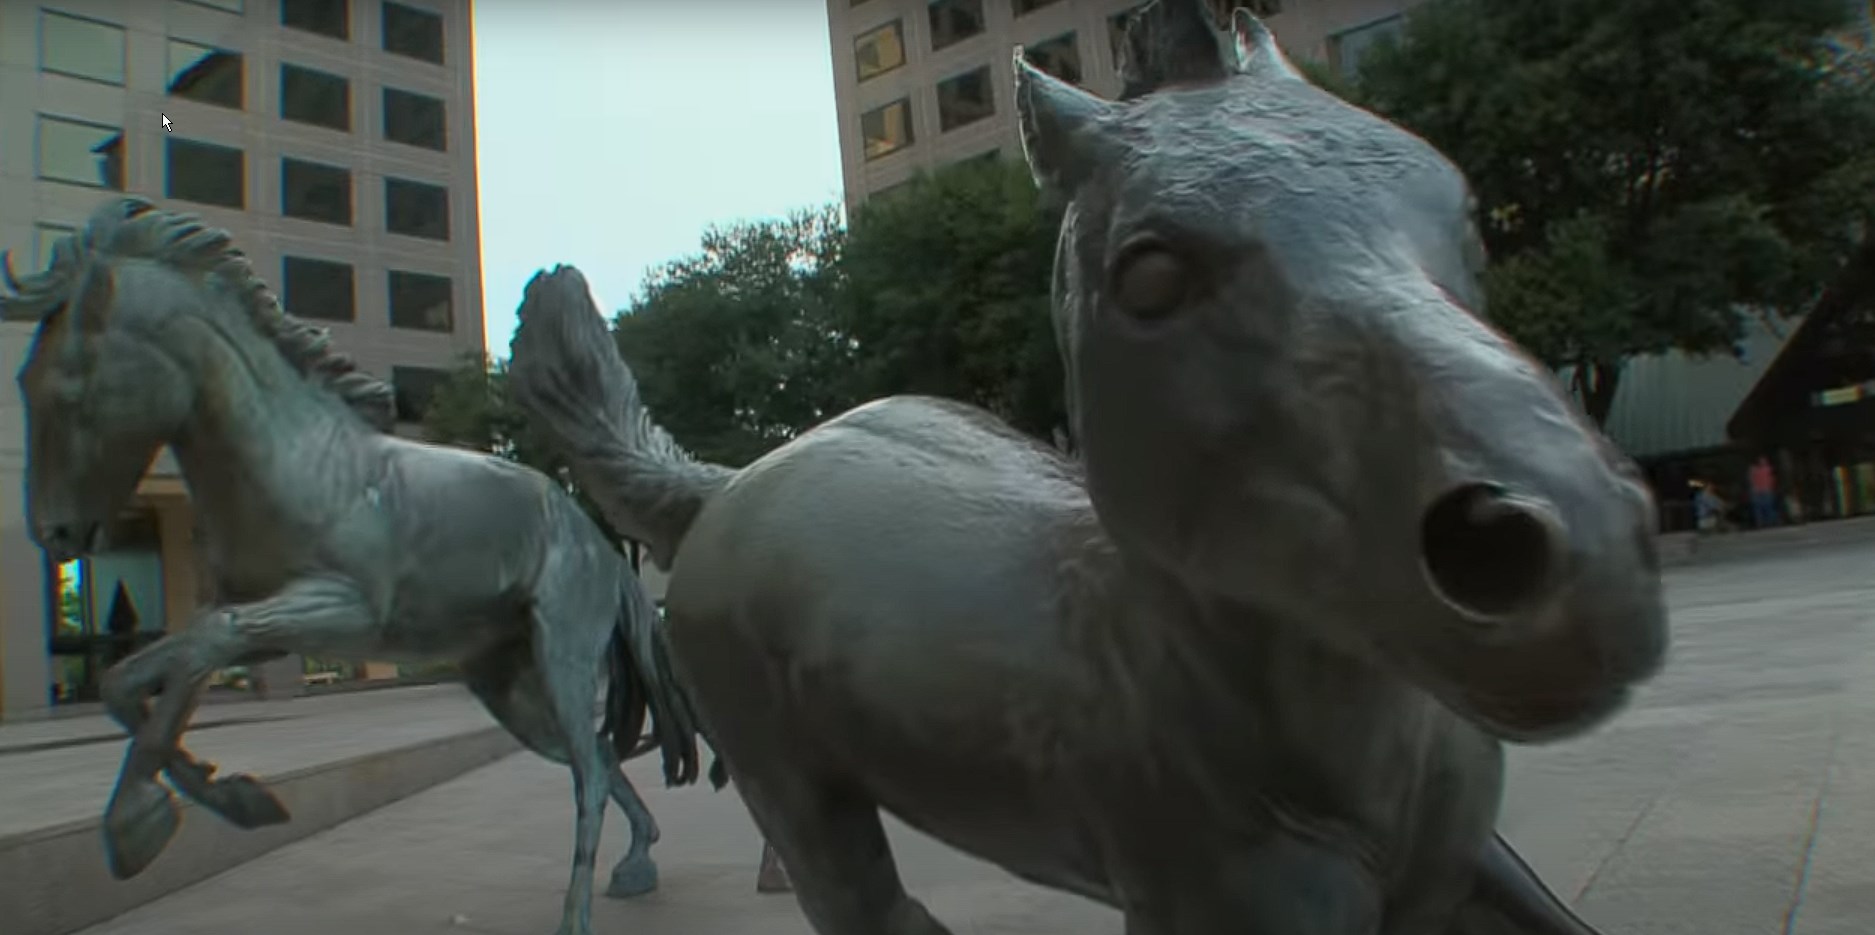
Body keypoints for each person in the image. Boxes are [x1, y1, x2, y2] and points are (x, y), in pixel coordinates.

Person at [1747, 455, 1779, 528]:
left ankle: (1770, 522)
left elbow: (1772, 478)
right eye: (1761, 460)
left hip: (1766, 490)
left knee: (1768, 507)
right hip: (1757, 491)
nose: (1762, 462)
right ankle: (1761, 523)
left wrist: (1771, 487)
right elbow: (1751, 480)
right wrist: (1753, 489)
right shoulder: (1753, 469)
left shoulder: (1769, 469)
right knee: (1758, 508)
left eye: (1764, 461)